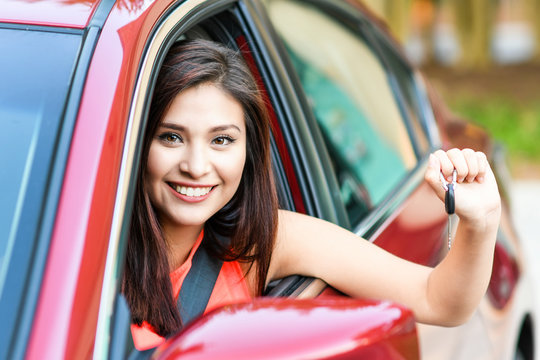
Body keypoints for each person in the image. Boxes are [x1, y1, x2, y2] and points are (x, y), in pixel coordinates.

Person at [122, 39, 501, 351]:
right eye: (171, 137)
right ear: (138, 144)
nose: (196, 165)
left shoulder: (263, 242)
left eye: (221, 140)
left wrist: (480, 222)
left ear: (249, 151)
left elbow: (439, 299)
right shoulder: (86, 243)